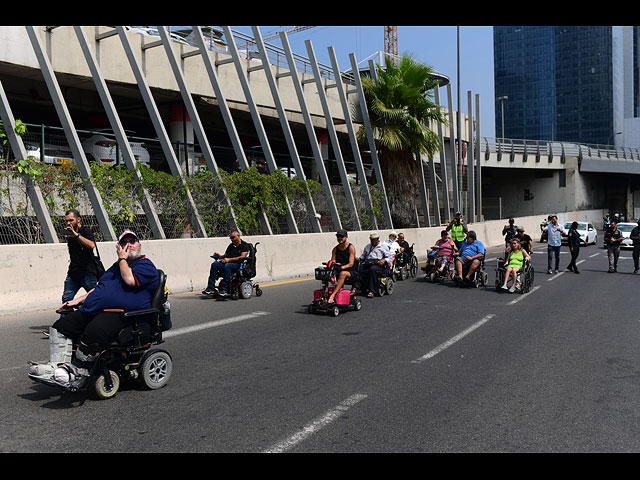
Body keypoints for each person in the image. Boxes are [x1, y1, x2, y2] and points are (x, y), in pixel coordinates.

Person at [30, 230, 159, 386]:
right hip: (99, 310)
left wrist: (122, 259)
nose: (129, 245)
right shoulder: (116, 267)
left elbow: (130, 280)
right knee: (61, 326)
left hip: (127, 316)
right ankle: (57, 366)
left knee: (94, 330)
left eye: (132, 241)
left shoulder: (146, 265)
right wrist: (78, 300)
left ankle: (79, 371)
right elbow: (100, 288)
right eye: (124, 243)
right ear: (118, 246)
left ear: (139, 245)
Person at [61, 209, 98, 304]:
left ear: (78, 220)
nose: (68, 223)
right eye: (66, 221)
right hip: (73, 273)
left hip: (88, 272)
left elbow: (91, 245)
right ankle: (65, 318)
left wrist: (77, 236)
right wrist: (70, 235)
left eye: (71, 220)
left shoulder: (86, 231)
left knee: (95, 299)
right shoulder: (69, 233)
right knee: (66, 300)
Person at [202, 230, 251, 297]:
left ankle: (224, 289)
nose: (232, 239)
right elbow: (226, 255)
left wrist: (229, 259)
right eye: (230, 238)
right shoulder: (231, 246)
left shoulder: (245, 245)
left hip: (238, 265)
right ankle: (211, 288)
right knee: (215, 264)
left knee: (228, 266)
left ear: (238, 236)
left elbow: (242, 257)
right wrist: (220, 256)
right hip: (228, 263)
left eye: (233, 237)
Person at [327, 229, 357, 304]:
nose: (339, 238)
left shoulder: (350, 247)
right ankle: (325, 295)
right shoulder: (335, 249)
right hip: (338, 269)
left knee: (342, 273)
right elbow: (333, 261)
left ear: (346, 237)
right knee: (325, 273)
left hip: (350, 271)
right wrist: (331, 269)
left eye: (341, 236)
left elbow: (351, 263)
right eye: (338, 236)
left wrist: (342, 267)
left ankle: (332, 296)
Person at [358, 232, 391, 298]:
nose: (372, 241)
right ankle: (357, 287)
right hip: (369, 262)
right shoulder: (368, 246)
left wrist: (384, 260)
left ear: (377, 239)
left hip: (378, 264)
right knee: (359, 267)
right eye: (371, 240)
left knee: (372, 269)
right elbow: (364, 255)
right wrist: (359, 258)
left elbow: (389, 257)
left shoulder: (383, 246)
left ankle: (372, 291)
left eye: (374, 240)